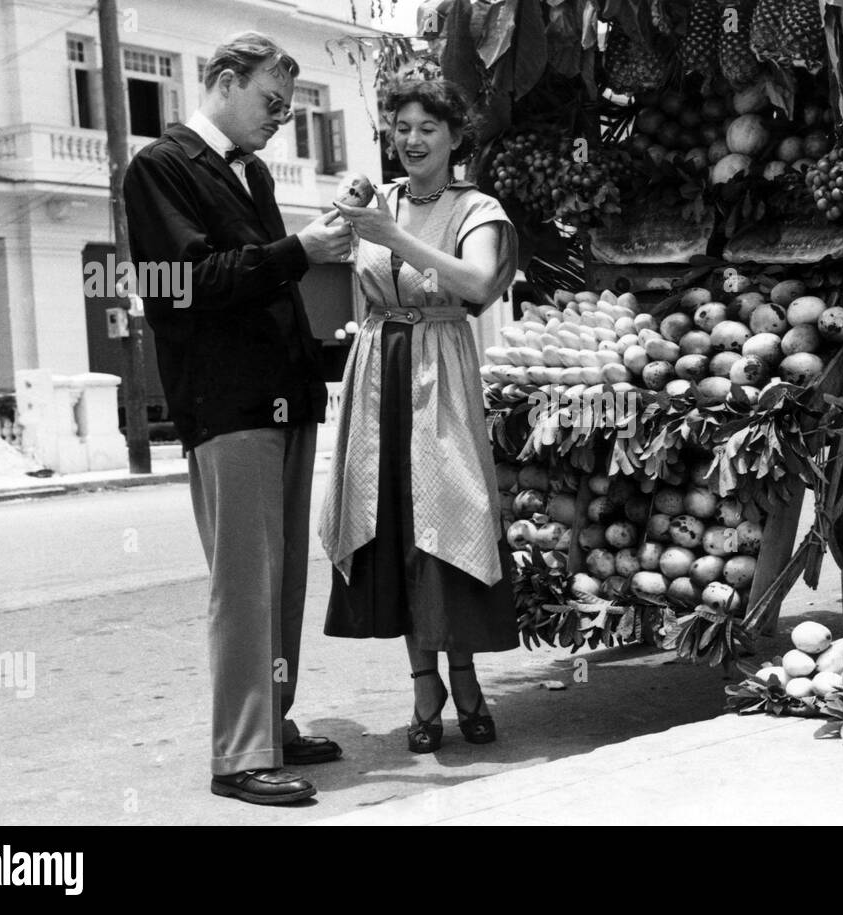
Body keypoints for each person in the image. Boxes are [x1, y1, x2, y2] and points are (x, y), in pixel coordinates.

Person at [124, 32, 352, 805]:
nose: (280, 121)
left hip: (280, 396)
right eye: (271, 103)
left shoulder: (248, 172)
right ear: (223, 81)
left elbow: (260, 278)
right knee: (245, 583)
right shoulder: (159, 167)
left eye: (289, 111)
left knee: (283, 577)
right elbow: (180, 285)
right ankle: (238, 754)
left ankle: (272, 726)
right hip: (225, 403)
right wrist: (300, 250)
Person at [319, 78, 519, 754]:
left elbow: (476, 283)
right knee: (395, 524)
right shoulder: (379, 202)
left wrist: (389, 236)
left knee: (450, 513)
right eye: (401, 127)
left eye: (427, 128)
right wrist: (345, 221)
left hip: (442, 365)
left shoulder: (477, 207)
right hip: (380, 367)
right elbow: (327, 257)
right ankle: (423, 685)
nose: (411, 140)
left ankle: (464, 677)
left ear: (456, 137)